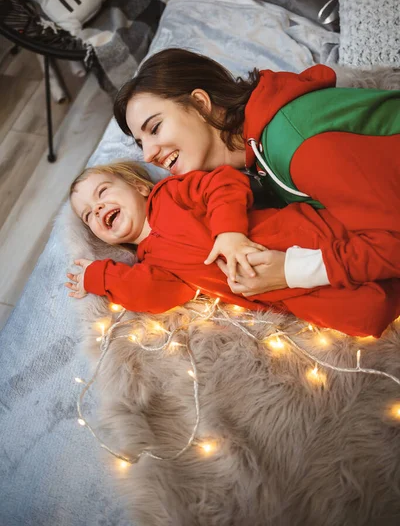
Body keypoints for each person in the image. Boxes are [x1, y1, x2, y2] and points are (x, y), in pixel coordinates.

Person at [112, 48, 400, 297]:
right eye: (140, 144)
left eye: (155, 128)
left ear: (200, 103)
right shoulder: (254, 152)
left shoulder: (301, 148)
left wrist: (290, 271)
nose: (148, 155)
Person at [65, 160, 400, 338]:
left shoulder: (171, 195)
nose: (97, 210)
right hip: (283, 292)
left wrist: (228, 232)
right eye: (88, 215)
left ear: (139, 186)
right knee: (369, 315)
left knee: (375, 242)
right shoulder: (149, 263)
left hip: (299, 233)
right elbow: (154, 293)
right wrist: (98, 276)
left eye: (103, 192)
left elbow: (224, 183)